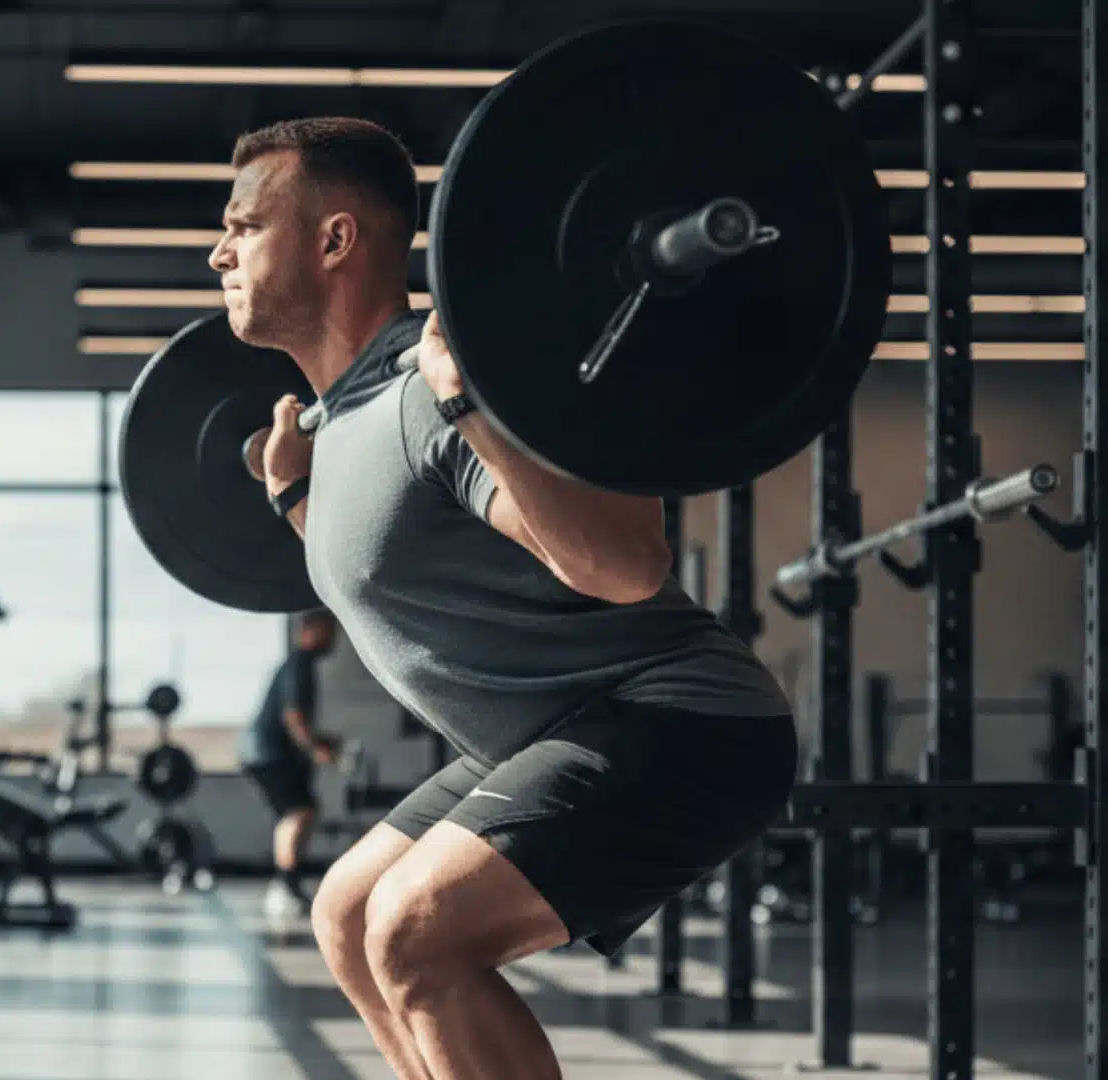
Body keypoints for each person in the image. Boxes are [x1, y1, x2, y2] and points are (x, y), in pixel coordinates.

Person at [211, 115, 797, 1080]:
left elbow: (623, 566)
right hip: (561, 727)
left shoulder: (435, 383)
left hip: (685, 721)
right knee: (350, 913)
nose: (216, 250)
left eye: (243, 225)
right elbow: (395, 564)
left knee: (418, 933)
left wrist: (471, 403)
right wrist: (292, 494)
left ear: (334, 241)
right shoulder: (345, 417)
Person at [238, 609, 342, 917]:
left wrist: (321, 741)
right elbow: (293, 716)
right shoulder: (300, 663)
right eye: (329, 630)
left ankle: (286, 884)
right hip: (268, 753)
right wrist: (315, 747)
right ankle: (286, 885)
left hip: (267, 752)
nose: (334, 639)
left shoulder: (300, 664)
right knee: (299, 812)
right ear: (310, 631)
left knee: (299, 812)